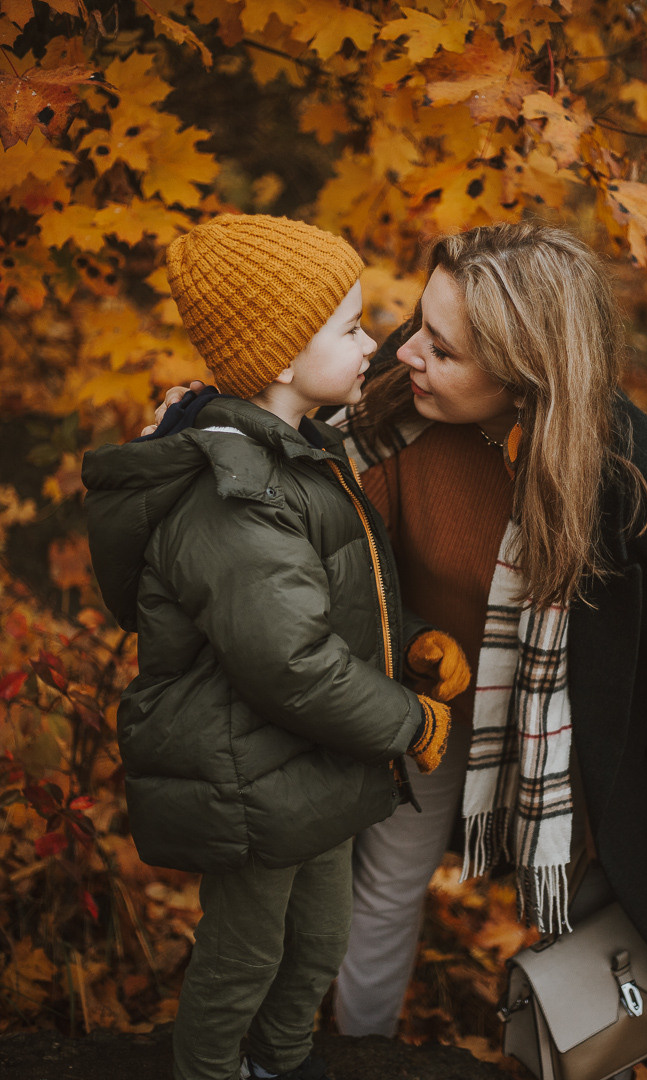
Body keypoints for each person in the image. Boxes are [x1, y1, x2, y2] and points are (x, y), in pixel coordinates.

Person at [145, 221, 647, 1080]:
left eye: (442, 348)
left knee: (585, 913)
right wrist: (188, 429)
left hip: (569, 722)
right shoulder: (389, 404)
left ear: (524, 373)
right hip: (425, 687)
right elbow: (280, 483)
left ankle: (560, 1060)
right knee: (379, 884)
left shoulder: (628, 481)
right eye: (417, 322)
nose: (407, 352)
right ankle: (358, 1052)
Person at [81, 213, 470, 1080]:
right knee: (246, 957)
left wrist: (410, 650)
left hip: (314, 771)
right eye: (351, 326)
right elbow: (286, 661)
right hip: (249, 780)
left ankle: (281, 1064)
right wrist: (409, 720)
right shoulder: (235, 496)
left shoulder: (303, 452)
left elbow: (330, 601)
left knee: (317, 943)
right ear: (284, 361)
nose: (376, 341)